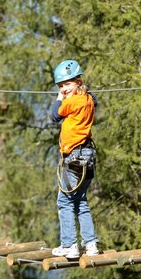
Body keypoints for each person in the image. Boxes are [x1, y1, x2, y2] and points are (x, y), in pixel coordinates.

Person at [50, 59, 99, 258]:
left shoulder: (70, 102)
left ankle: (69, 245)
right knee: (81, 201)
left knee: (65, 202)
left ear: (79, 81)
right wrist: (78, 91)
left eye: (67, 84)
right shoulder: (87, 99)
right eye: (61, 86)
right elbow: (94, 99)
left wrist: (58, 98)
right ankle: (91, 244)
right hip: (88, 156)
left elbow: (54, 115)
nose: (64, 89)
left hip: (74, 157)